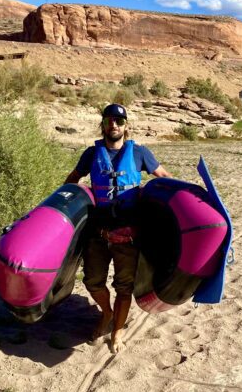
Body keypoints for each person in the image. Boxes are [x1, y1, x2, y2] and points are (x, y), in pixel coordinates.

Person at [64, 103, 171, 353]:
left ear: (126, 126)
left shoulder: (140, 153)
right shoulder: (91, 154)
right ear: (103, 124)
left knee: (124, 287)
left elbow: (164, 177)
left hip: (129, 235)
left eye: (119, 121)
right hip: (98, 234)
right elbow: (72, 179)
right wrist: (62, 202)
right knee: (93, 282)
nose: (114, 124)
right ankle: (107, 312)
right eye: (110, 120)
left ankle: (118, 331)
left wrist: (190, 194)